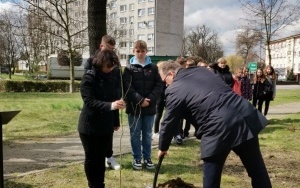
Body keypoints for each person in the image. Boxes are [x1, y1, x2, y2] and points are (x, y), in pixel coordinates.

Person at [156, 61, 272, 188]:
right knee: (257, 170)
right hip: (242, 116)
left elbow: (168, 121)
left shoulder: (174, 89)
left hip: (217, 128)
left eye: (164, 80)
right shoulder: (203, 71)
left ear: (171, 74)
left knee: (212, 178)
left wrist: (163, 147)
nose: (165, 84)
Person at [78, 50, 125, 188]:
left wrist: (116, 121)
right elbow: (89, 102)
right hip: (89, 127)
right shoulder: (89, 78)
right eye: (108, 66)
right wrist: (111, 105)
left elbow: (114, 100)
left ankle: (100, 184)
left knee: (101, 158)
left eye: (112, 67)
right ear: (101, 63)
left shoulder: (111, 77)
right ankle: (93, 185)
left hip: (105, 126)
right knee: (92, 158)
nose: (110, 69)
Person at [122, 40, 163, 170]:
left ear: (146, 51)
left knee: (147, 134)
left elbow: (159, 86)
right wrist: (140, 100)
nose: (140, 53)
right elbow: (127, 87)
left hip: (150, 108)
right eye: (137, 51)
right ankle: (137, 158)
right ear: (133, 51)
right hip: (134, 108)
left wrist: (149, 99)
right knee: (135, 135)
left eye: (142, 51)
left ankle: (147, 157)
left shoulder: (154, 67)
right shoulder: (128, 68)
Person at [83, 35, 120, 170]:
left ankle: (109, 157)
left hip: (109, 112)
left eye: (113, 49)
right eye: (108, 49)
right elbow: (89, 96)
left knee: (108, 136)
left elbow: (116, 91)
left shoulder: (114, 66)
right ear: (101, 47)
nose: (110, 52)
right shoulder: (91, 66)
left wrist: (116, 117)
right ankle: (100, 160)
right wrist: (110, 105)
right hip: (94, 116)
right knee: (93, 155)